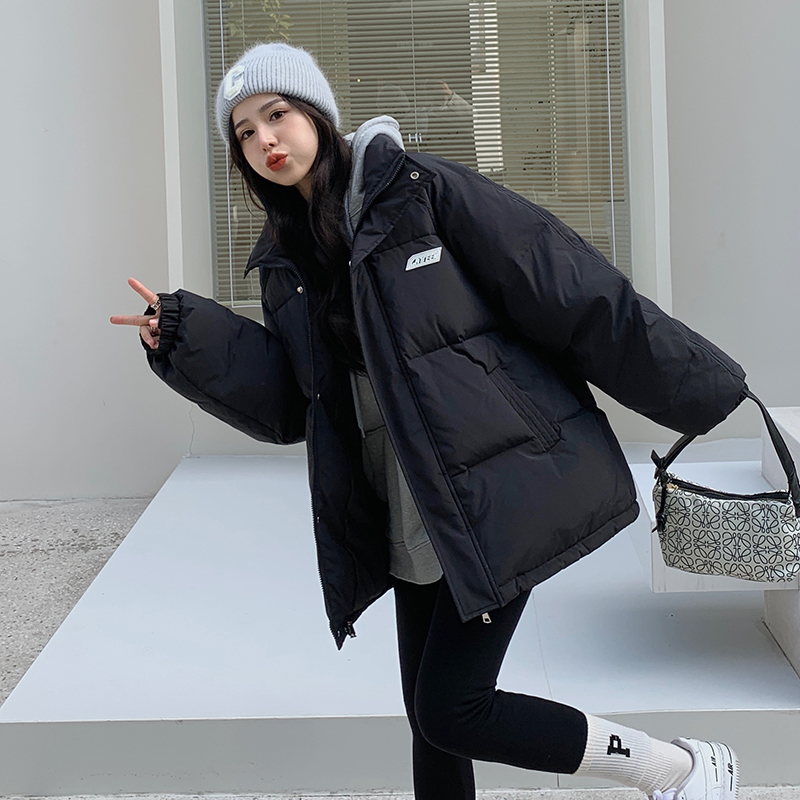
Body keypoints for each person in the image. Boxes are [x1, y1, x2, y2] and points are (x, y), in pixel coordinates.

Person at [110, 42, 745, 800]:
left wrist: (698, 383)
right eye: (244, 132)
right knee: (429, 713)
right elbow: (294, 402)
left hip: (498, 479)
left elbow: (564, 283)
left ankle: (675, 768)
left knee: (452, 708)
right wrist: (186, 337)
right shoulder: (286, 259)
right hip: (408, 497)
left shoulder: (419, 192)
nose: (264, 140)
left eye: (276, 114)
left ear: (316, 114)